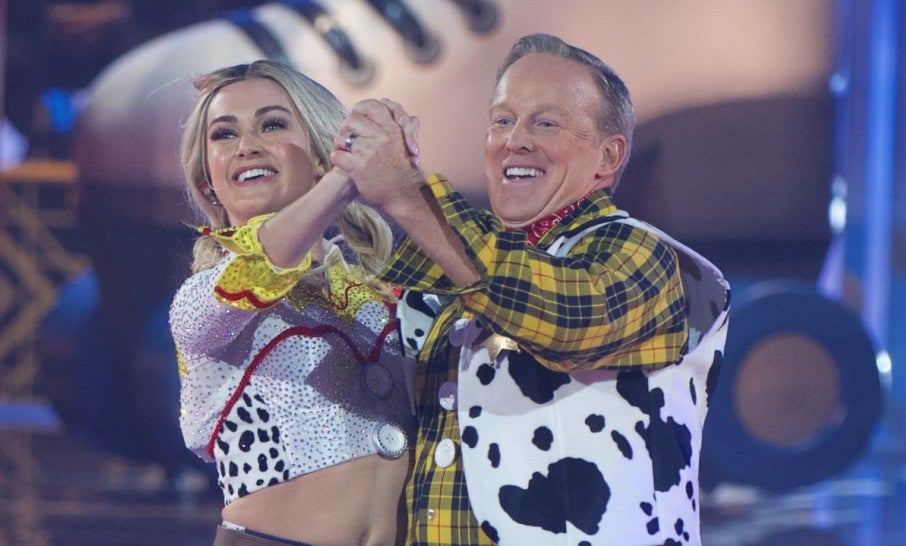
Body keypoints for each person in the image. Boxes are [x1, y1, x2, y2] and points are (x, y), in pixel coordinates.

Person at [330, 33, 731, 545]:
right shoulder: (454, 273)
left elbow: (568, 319)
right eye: (502, 120)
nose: (515, 140)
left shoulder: (658, 262)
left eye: (546, 123)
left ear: (608, 156)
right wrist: (340, 170)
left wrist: (407, 193)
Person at [168, 60, 417, 546]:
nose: (247, 146)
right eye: (224, 134)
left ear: (321, 156)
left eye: (272, 125)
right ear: (207, 183)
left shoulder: (382, 297)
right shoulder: (203, 301)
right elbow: (263, 263)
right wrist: (348, 178)